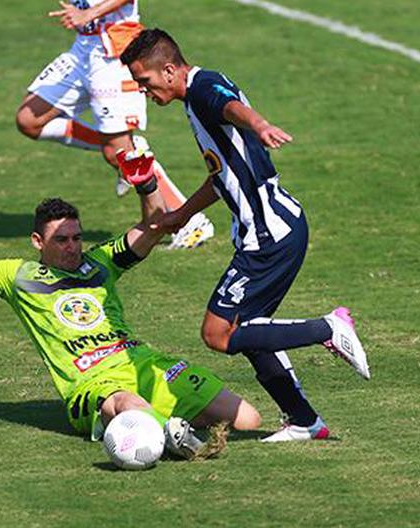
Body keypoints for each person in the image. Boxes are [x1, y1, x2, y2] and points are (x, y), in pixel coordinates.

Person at [0, 151, 261, 458]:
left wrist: (146, 183)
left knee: (247, 420)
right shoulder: (18, 276)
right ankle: (156, 431)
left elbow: (154, 226)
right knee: (131, 408)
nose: (73, 247)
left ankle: (172, 428)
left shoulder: (101, 263)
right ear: (38, 243)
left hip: (142, 363)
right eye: (62, 239)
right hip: (93, 383)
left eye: (76, 237)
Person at [120, 29, 371, 442]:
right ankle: (305, 420)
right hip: (273, 228)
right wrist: (181, 214)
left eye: (145, 82)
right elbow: (221, 174)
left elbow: (232, 108)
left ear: (169, 70)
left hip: (267, 237)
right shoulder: (197, 93)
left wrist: (260, 124)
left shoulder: (202, 90)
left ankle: (327, 328)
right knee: (250, 329)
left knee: (218, 333)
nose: (145, 92)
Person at [15, 0, 212, 249]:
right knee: (29, 120)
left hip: (113, 54)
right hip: (83, 49)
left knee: (117, 153)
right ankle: (128, 148)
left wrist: (89, 13)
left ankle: (193, 222)